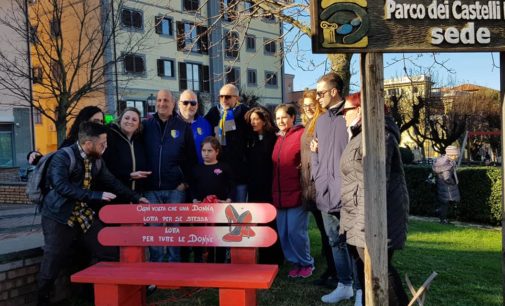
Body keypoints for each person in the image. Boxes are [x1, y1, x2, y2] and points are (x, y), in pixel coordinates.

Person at [37, 121, 149, 305]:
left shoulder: (96, 159)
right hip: (58, 215)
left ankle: (93, 294)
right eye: (102, 144)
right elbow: (60, 186)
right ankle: (43, 300)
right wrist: (95, 195)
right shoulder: (63, 157)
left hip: (83, 213)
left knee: (108, 250)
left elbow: (112, 181)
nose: (105, 147)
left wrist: (136, 198)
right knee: (53, 260)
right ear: (88, 144)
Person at [338, 92, 410, 306]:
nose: (343, 116)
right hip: (361, 217)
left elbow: (375, 184)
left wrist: (363, 225)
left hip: (373, 218)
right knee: (372, 270)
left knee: (381, 271)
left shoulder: (379, 136)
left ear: (360, 110)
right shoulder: (360, 135)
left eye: (345, 111)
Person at [310, 72, 355, 303]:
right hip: (325, 193)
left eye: (321, 93)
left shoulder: (349, 117)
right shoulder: (321, 120)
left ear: (334, 91)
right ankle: (344, 284)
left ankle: (360, 290)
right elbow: (315, 152)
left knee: (355, 243)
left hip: (348, 194)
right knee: (334, 241)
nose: (318, 98)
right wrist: (318, 176)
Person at [143, 89, 198, 262]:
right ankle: (156, 268)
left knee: (175, 230)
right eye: (159, 100)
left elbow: (191, 159)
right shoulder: (146, 126)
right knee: (154, 230)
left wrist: (185, 183)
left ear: (173, 103)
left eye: (166, 100)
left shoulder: (182, 127)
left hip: (176, 188)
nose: (161, 104)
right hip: (151, 188)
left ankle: (175, 267)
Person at [298, 90, 337, 287]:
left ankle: (336, 273)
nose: (308, 108)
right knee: (325, 233)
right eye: (304, 105)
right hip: (309, 186)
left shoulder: (322, 122)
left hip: (319, 185)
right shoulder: (309, 124)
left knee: (330, 233)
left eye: (311, 103)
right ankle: (331, 271)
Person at [272, 104, 314, 278]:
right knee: (283, 233)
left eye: (284, 117)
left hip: (297, 192)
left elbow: (310, 156)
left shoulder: (301, 135)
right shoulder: (278, 138)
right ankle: (295, 263)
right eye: (278, 118)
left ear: (292, 118)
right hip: (280, 194)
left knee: (296, 232)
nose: (281, 121)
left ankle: (307, 263)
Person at [244, 106, 284, 265]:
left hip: (268, 185)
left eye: (256, 119)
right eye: (251, 120)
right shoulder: (249, 139)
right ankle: (261, 256)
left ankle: (274, 257)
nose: (253, 122)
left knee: (270, 221)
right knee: (258, 222)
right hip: (254, 186)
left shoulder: (273, 137)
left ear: (264, 120)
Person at [190, 136, 234, 263]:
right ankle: (202, 263)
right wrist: (194, 199)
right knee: (202, 236)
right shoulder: (196, 169)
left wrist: (228, 199)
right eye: (204, 151)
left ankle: (220, 263)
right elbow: (192, 187)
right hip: (202, 211)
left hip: (220, 210)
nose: (206, 154)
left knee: (219, 236)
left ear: (217, 152)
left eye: (209, 151)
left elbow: (232, 185)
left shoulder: (224, 167)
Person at [205, 84, 250, 202]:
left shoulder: (246, 113)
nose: (224, 100)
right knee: (220, 212)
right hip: (220, 172)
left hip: (239, 172)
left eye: (228, 97)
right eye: (221, 97)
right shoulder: (213, 112)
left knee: (238, 211)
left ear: (237, 98)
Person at [102, 107, 151, 204]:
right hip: (115, 198)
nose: (130, 121)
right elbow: (105, 169)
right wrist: (128, 175)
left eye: (134, 119)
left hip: (137, 197)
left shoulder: (139, 141)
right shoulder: (110, 137)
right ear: (120, 120)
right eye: (127, 118)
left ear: (138, 125)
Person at [27, 106, 105, 166]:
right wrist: (37, 158)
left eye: (102, 122)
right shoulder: (71, 143)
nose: (100, 125)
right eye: (96, 121)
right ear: (84, 122)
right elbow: (56, 161)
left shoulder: (107, 142)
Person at [177, 89, 212, 164]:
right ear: (179, 104)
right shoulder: (170, 124)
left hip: (200, 172)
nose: (189, 106)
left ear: (197, 105)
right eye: (185, 103)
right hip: (176, 173)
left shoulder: (205, 124)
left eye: (193, 103)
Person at [433, 145, 461, 224]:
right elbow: (447, 177)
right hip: (447, 187)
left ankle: (440, 214)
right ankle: (443, 219)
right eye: (455, 155)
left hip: (441, 185)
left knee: (444, 203)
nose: (456, 157)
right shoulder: (447, 164)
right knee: (446, 204)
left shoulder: (441, 160)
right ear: (450, 154)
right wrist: (453, 183)